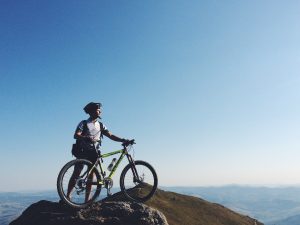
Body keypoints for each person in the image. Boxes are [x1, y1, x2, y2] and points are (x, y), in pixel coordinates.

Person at [66, 102, 131, 202]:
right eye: (98, 110)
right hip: (82, 151)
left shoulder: (100, 125)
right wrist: (85, 137)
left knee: (91, 176)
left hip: (94, 152)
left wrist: (123, 140)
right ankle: (67, 196)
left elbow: (110, 135)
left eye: (100, 110)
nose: (100, 112)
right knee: (76, 173)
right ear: (92, 111)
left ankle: (87, 200)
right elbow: (76, 135)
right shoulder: (83, 123)